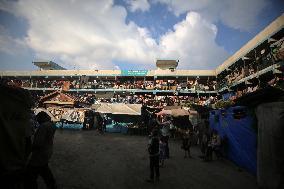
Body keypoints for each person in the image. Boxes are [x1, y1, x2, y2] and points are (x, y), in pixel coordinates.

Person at [25, 111, 57, 189]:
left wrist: (29, 151)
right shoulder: (52, 125)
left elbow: (38, 143)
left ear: (42, 118)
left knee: (31, 173)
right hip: (48, 150)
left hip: (40, 153)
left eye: (38, 119)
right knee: (44, 169)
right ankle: (52, 185)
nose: (37, 121)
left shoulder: (43, 127)